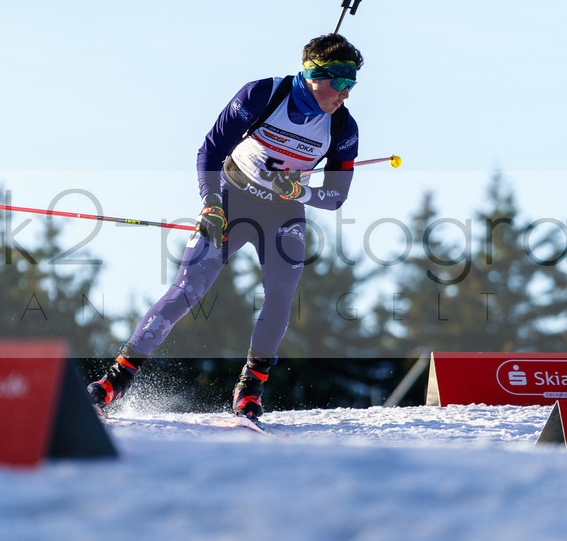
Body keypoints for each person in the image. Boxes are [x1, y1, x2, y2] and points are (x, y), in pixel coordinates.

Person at [87, 33, 364, 419]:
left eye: (353, 84)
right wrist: (211, 205)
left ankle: (250, 391)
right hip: (231, 202)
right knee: (187, 290)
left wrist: (299, 190)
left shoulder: (342, 127)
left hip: (282, 215)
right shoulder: (261, 96)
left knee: (281, 293)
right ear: (315, 75)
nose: (347, 93)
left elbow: (335, 197)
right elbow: (212, 150)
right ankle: (114, 382)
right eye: (342, 82)